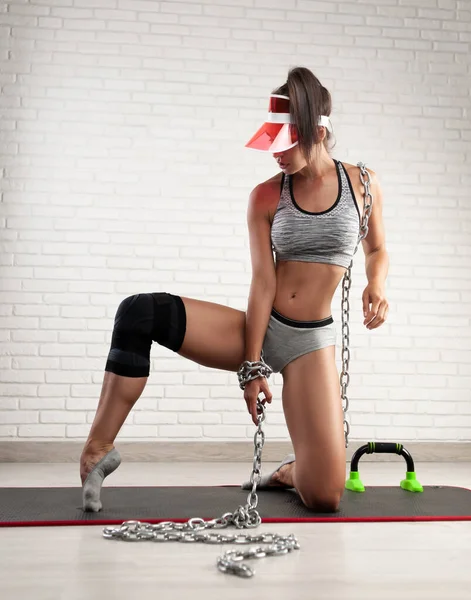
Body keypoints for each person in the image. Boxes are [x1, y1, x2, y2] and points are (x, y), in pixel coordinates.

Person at [80, 66, 389, 513]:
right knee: (137, 313)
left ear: (317, 131)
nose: (274, 155)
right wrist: (252, 362)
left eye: (284, 144)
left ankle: (288, 471)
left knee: (325, 496)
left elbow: (377, 247)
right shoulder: (265, 196)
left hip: (312, 344)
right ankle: (97, 449)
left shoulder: (363, 183)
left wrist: (376, 283)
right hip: (263, 327)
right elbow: (263, 281)